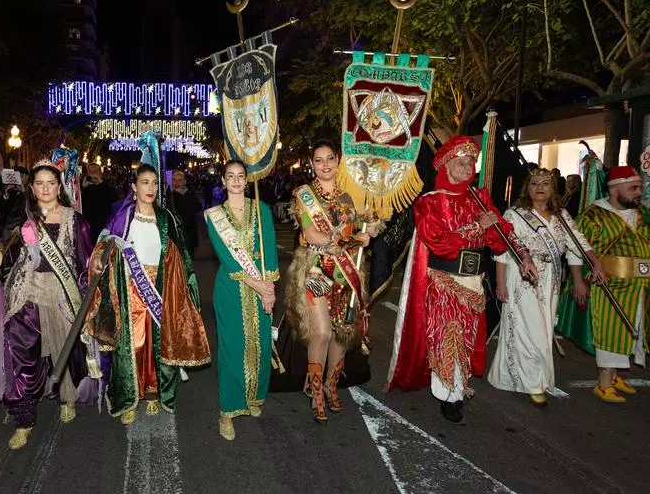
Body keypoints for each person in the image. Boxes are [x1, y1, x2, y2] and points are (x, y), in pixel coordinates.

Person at [387, 136, 538, 423]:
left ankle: (455, 388)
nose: (468, 167)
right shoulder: (430, 202)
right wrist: (476, 227)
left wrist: (524, 255)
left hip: (474, 283)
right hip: (444, 281)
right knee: (447, 335)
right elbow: (438, 242)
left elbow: (501, 235)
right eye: (462, 162)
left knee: (467, 337)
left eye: (471, 163)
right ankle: (449, 395)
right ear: (446, 165)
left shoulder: (480, 199)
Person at [85, 164, 210, 424]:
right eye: (144, 182)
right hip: (130, 288)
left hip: (160, 287)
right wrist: (97, 258)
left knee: (157, 343)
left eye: (154, 183)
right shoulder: (122, 217)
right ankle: (131, 395)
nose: (150, 188)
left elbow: (181, 254)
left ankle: (154, 391)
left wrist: (181, 285)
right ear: (134, 187)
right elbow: (105, 242)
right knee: (132, 345)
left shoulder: (166, 219)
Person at [0, 162, 95, 450]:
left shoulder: (75, 220)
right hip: (27, 290)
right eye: (40, 183)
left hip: (61, 293)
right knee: (22, 352)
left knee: (65, 349)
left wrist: (87, 297)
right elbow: (3, 237)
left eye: (51, 183)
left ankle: (66, 398)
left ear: (59, 186)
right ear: (31, 188)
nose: (45, 188)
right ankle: (24, 419)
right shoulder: (23, 217)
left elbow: (84, 261)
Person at [488, 169, 605, 405]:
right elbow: (503, 249)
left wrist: (596, 263)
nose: (539, 187)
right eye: (534, 183)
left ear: (553, 189)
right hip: (522, 277)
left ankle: (523, 378)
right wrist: (500, 282)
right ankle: (534, 383)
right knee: (532, 330)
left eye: (545, 183)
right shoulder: (515, 214)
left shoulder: (561, 215)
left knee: (543, 329)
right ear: (527, 188)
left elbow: (578, 243)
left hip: (551, 278)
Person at [283, 140, 377, 424]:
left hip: (345, 271)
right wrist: (353, 240)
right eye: (319, 160)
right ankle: (315, 392)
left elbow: (366, 227)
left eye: (330, 159)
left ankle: (330, 385)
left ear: (338, 161)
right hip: (316, 269)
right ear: (312, 164)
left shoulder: (351, 196)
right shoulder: (304, 195)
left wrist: (371, 230)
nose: (325, 165)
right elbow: (312, 235)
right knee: (322, 332)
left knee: (342, 332)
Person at [206, 160, 278, 440]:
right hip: (231, 289)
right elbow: (226, 257)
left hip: (262, 286)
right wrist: (258, 286)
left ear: (247, 180)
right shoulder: (213, 216)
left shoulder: (262, 209)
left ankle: (254, 396)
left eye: (240, 176)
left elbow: (269, 250)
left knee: (260, 345)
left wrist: (269, 290)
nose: (236, 180)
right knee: (232, 349)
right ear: (223, 181)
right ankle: (227, 411)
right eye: (230, 176)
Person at [576, 165, 650, 403]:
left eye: (639, 187)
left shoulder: (642, 214)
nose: (638, 192)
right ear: (615, 190)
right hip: (609, 286)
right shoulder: (593, 215)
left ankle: (614, 376)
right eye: (633, 188)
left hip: (640, 287)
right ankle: (604, 383)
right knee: (611, 330)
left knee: (631, 330)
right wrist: (578, 281)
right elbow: (576, 250)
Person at [80, 163, 118, 243]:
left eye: (95, 171)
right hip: (88, 225)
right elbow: (79, 205)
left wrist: (100, 182)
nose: (93, 173)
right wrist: (83, 188)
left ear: (100, 173)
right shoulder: (85, 187)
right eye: (91, 171)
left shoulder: (106, 185)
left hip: (103, 224)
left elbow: (115, 197)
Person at [169, 170, 201, 259]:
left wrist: (185, 196)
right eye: (174, 180)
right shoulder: (170, 196)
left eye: (179, 180)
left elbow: (197, 207)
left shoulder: (190, 194)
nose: (177, 183)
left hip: (190, 234)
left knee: (189, 260)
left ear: (184, 182)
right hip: (176, 235)